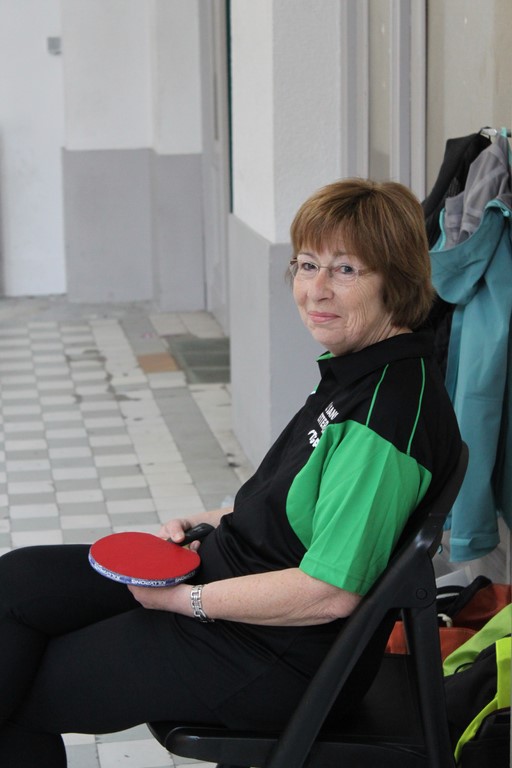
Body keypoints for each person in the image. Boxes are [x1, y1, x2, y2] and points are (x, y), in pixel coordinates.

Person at [0, 178, 461, 766]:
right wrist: (208, 520)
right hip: (233, 584)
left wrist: (186, 600)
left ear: (395, 280)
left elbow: (329, 593)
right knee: (16, 583)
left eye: (346, 270)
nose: (315, 289)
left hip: (268, 655)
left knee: (22, 694)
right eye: (307, 264)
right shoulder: (362, 371)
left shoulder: (385, 418)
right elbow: (300, 502)